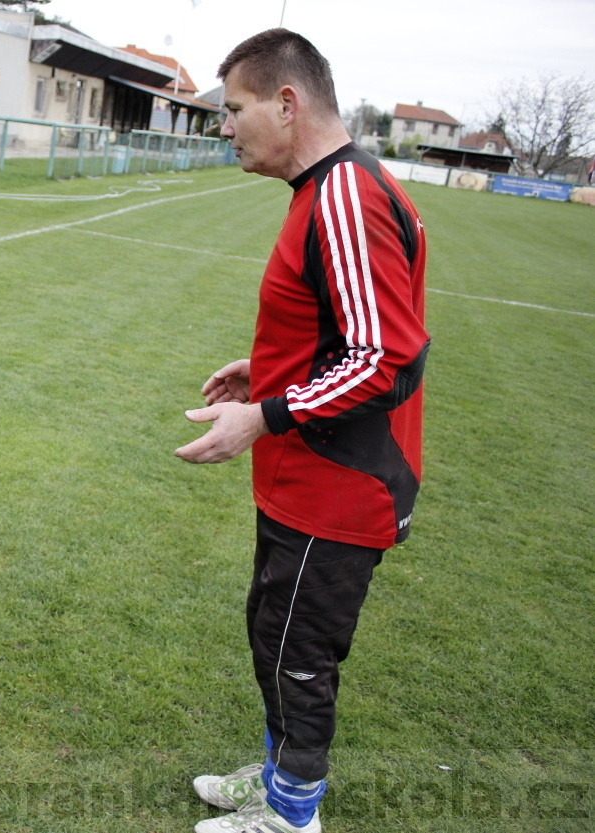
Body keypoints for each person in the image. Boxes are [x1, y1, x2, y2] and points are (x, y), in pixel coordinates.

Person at [174, 29, 429, 833]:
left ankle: (290, 818)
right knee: (274, 636)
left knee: (298, 655)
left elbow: (383, 358)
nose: (225, 126)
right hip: (308, 480)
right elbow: (345, 334)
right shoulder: (326, 191)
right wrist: (266, 371)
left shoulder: (347, 195)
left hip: (337, 487)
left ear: (288, 103)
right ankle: (278, 784)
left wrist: (266, 414)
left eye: (235, 109)